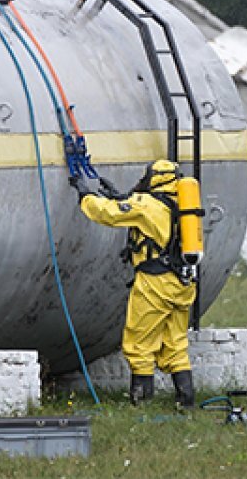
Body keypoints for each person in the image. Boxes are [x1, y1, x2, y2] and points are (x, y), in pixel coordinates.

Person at [71, 159, 197, 409]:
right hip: (182, 283)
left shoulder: (147, 205)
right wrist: (117, 195)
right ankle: (186, 400)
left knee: (138, 343)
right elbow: (138, 213)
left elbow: (109, 214)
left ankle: (142, 402)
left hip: (155, 284)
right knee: (175, 344)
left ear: (157, 178)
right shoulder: (183, 205)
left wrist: (86, 196)